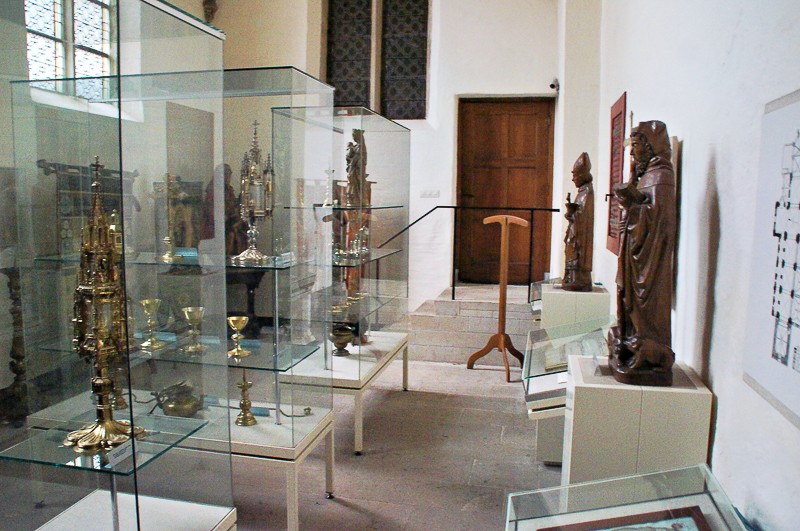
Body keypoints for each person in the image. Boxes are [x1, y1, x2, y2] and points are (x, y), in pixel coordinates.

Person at [608, 120, 676, 385]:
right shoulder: (646, 175)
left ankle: (646, 350)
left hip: (648, 262)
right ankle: (630, 341)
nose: (632, 152)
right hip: (635, 254)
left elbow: (660, 223)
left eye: (636, 145)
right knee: (629, 302)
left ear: (651, 146)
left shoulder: (661, 177)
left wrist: (634, 207)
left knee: (642, 305)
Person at [562, 152, 594, 292]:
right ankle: (570, 278)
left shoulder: (587, 192)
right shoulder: (582, 192)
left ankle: (578, 279)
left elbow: (584, 216)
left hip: (581, 235)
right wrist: (571, 213)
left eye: (575, 175)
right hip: (575, 230)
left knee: (575, 251)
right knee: (569, 247)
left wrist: (573, 213)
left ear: (582, 175)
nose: (573, 179)